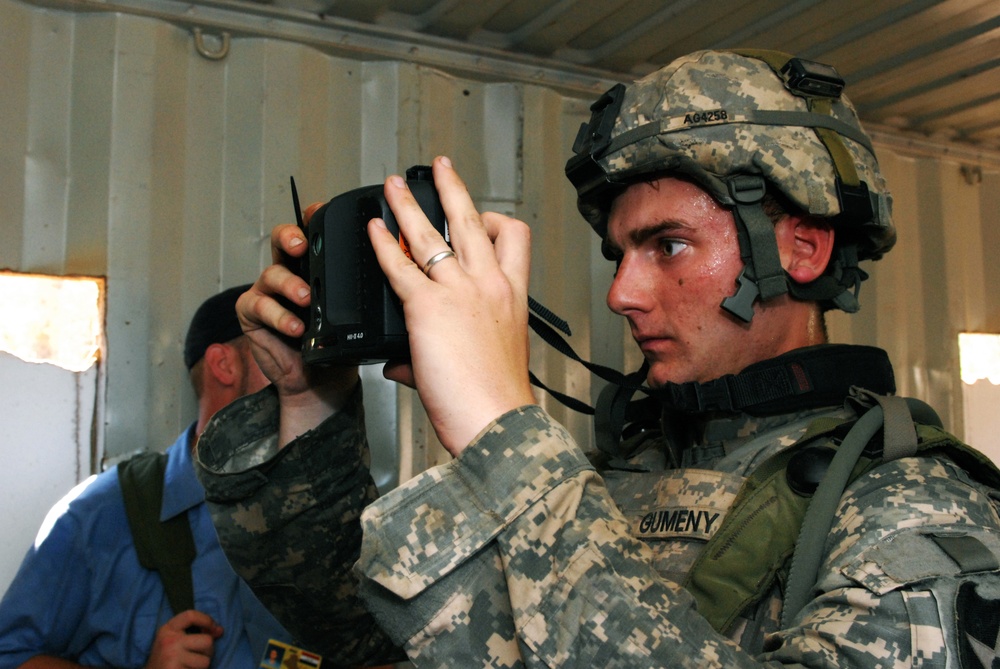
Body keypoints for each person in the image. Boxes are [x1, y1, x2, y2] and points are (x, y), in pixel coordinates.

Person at [195, 50, 1000, 667]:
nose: (622, 294)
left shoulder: (918, 512)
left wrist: (504, 434)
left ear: (802, 246)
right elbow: (368, 632)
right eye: (621, 253)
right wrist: (309, 403)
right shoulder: (619, 473)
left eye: (669, 245)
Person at [0, 285, 292, 669]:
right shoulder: (100, 515)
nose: (301, 371)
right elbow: (11, 656)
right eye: (282, 352)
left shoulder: (318, 507)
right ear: (224, 365)